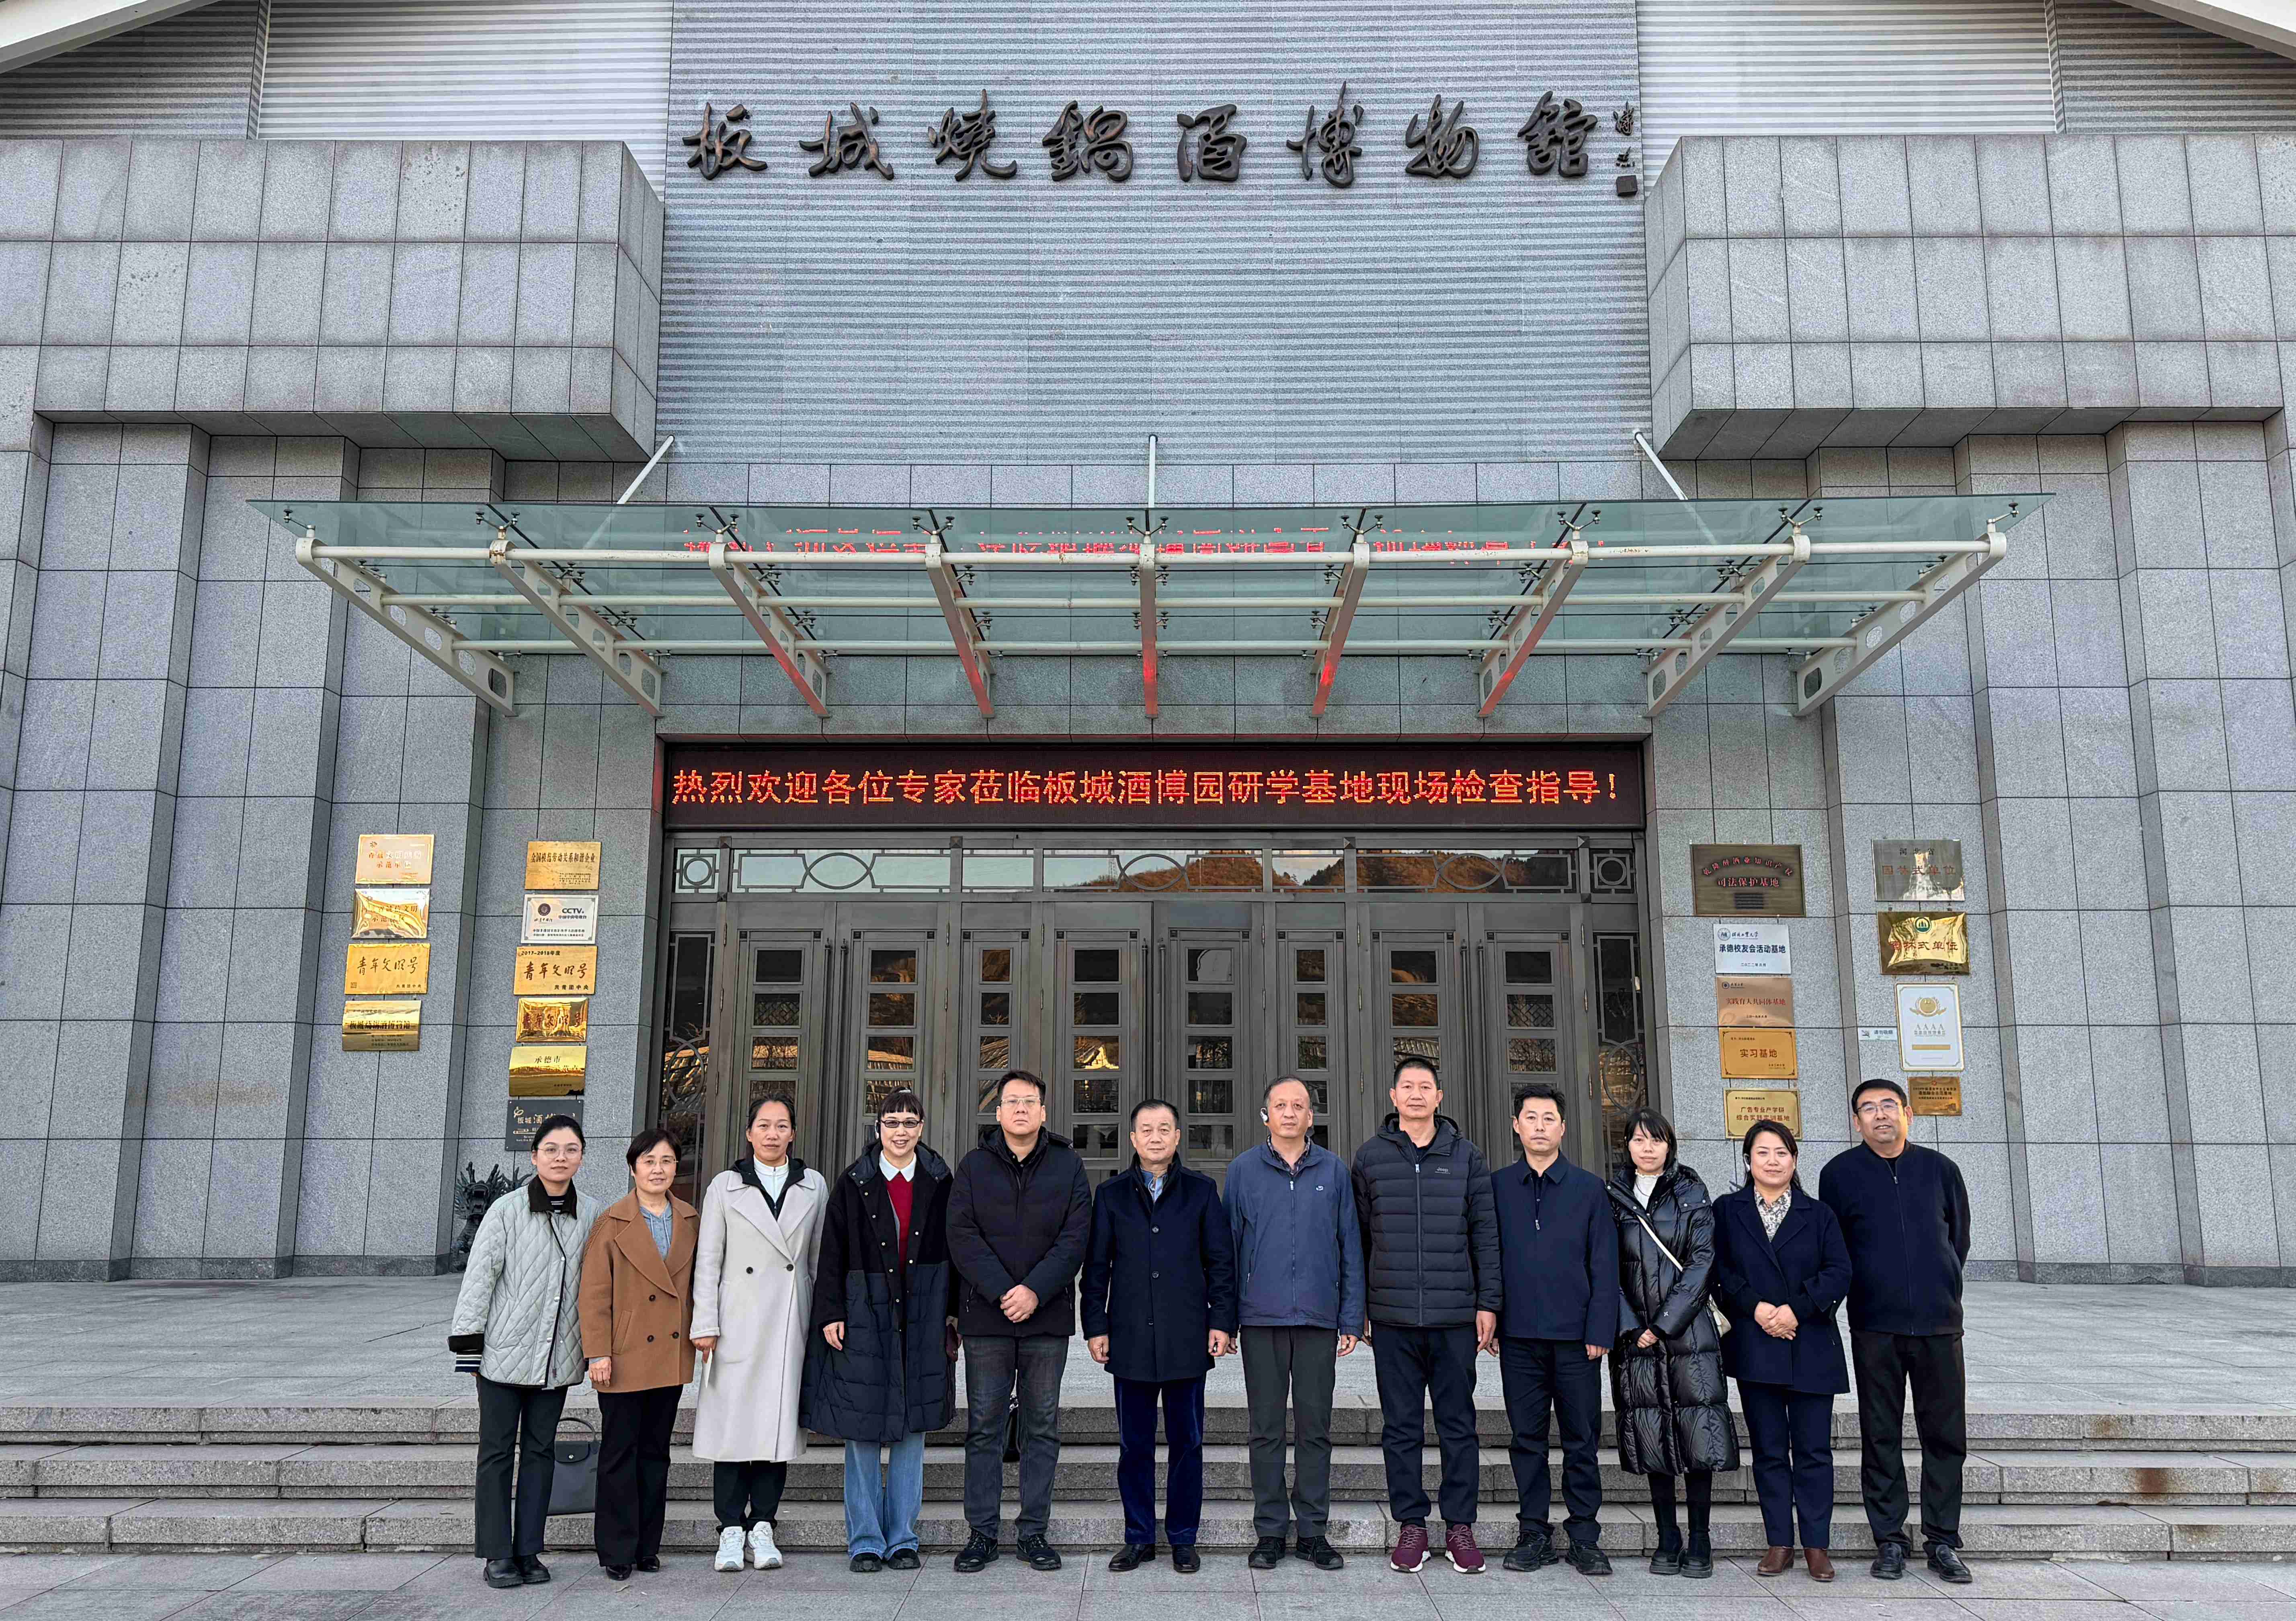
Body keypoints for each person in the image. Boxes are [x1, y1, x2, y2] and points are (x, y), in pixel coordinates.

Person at [1819, 1077, 1974, 1585]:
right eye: (1868, 1108)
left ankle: (1942, 1540)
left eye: (1889, 1105)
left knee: (1944, 1435)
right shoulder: (1839, 1174)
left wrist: (1941, 1284)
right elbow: (1836, 1248)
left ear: (1908, 1113)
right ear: (1856, 1121)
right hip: (1875, 1324)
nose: (1880, 1115)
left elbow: (1958, 1239)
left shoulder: (1941, 1170)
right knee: (1880, 1432)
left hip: (1938, 1324)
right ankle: (1889, 1539)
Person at [1351, 1055, 1501, 1575]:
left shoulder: (1467, 1157)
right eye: (1407, 1087)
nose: (1416, 1094)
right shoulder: (1370, 1157)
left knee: (1458, 1426)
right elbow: (1358, 1239)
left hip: (1454, 1317)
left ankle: (1460, 1526)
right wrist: (1359, 1308)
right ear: (1393, 1097)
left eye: (1425, 1087)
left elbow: (1486, 1236)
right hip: (1392, 1318)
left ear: (1439, 1097)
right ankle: (1411, 1525)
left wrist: (1488, 1303)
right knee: (1401, 1428)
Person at [802, 1087, 956, 1573]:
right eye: (893, 1122)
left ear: (922, 1128)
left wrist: (955, 1314)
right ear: (878, 1128)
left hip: (924, 1313)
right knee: (862, 1428)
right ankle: (866, 1540)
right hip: (864, 1312)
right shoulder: (854, 1182)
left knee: (912, 1428)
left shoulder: (940, 1180)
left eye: (910, 1122)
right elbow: (831, 1253)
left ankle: (903, 1538)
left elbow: (956, 1252)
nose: (901, 1131)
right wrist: (830, 1312)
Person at [1082, 1098, 1239, 1574]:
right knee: (1135, 1446)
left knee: (1187, 1443)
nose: (1155, 1137)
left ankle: (1183, 1537)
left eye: (1164, 1129)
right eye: (1146, 1130)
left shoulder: (1201, 1191)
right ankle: (1139, 1537)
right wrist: (1096, 1326)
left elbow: (1222, 1264)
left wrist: (1222, 1322)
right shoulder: (1111, 1195)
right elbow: (1096, 1269)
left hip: (1186, 1336)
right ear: (1133, 1139)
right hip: (1129, 1337)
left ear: (1177, 1138)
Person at [946, 1069, 1093, 1573]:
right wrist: (1004, 1291)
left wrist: (1034, 1291)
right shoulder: (973, 1166)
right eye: (1012, 1102)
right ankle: (982, 1533)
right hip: (986, 1319)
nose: (1021, 1109)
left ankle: (1034, 1533)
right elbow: (962, 1235)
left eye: (1030, 1101)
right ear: (999, 1112)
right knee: (984, 1427)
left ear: (1044, 1111)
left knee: (1042, 1427)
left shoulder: (1068, 1165)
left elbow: (1076, 1237)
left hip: (1046, 1318)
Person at [449, 1114, 599, 1589]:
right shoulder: (506, 1211)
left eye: (571, 1150)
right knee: (496, 1453)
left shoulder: (592, 1214)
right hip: (504, 1354)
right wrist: (470, 1348)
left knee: (540, 1453)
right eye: (551, 1150)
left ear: (581, 1157)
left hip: (558, 1357)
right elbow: (480, 1279)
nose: (561, 1158)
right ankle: (497, 1553)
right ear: (534, 1157)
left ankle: (529, 1550)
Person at [1225, 1075, 1364, 1572]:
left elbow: (1351, 1246)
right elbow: (1227, 1249)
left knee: (1314, 1429)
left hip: (1317, 1319)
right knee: (1265, 1429)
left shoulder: (1334, 1170)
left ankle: (1313, 1532)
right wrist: (1225, 1319)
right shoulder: (1243, 1170)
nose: (1289, 1113)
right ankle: (1269, 1532)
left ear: (1311, 1116)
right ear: (1266, 1116)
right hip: (1260, 1318)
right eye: (1280, 1105)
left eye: (1298, 1106)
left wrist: (1352, 1317)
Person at [691, 1092, 828, 1576]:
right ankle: (730, 1527)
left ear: (793, 1133)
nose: (773, 1134)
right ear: (749, 1133)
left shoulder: (813, 1185)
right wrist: (705, 1323)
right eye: (764, 1125)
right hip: (736, 1320)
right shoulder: (724, 1186)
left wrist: (818, 1317)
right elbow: (708, 1260)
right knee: (733, 1427)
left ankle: (764, 1523)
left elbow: (817, 1259)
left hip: (788, 1319)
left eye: (782, 1125)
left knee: (776, 1424)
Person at [1714, 1118, 1851, 1582]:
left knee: (1813, 1451)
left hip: (1810, 1343)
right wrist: (1756, 1309)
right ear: (1748, 1160)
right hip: (1757, 1345)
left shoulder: (1820, 1214)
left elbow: (1839, 1271)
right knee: (1769, 1450)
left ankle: (1816, 1545)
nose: (1772, 1161)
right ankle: (1779, 1543)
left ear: (1794, 1160)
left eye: (1782, 1153)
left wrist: (1797, 1310)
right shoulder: (1728, 1211)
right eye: (1763, 1153)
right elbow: (1720, 1271)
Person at [1490, 1081, 1618, 1576]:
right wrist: (1490, 1316)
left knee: (1581, 1439)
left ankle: (1584, 1536)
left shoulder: (1589, 1189)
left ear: (1563, 1128)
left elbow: (1604, 1264)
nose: (1540, 1127)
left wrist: (1600, 1328)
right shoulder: (1498, 1187)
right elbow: (1488, 1259)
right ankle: (1533, 1534)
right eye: (1531, 1118)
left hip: (1576, 1340)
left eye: (1549, 1119)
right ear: (1516, 1125)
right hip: (1518, 1337)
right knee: (1527, 1439)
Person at [1604, 1108, 1736, 1579]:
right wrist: (1630, 1325)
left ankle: (1699, 1538)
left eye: (1656, 1140)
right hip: (1634, 1337)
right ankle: (1667, 1537)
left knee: (1698, 1432)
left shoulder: (1691, 1193)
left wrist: (1662, 1325)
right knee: (1652, 1431)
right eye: (1639, 1140)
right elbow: (1603, 1266)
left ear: (1669, 1145)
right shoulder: (1613, 1197)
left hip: (1689, 1333)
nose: (1647, 1148)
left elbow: (1702, 1264)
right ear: (1627, 1145)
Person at [578, 1128, 699, 1582]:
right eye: (649, 1161)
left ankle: (648, 1546)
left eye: (666, 1161)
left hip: (669, 1353)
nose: (658, 1169)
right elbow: (594, 1294)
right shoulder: (611, 1222)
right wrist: (598, 1353)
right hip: (623, 1356)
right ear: (633, 1169)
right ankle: (616, 1549)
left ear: (676, 1168)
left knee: (655, 1454)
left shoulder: (690, 1219)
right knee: (619, 1454)